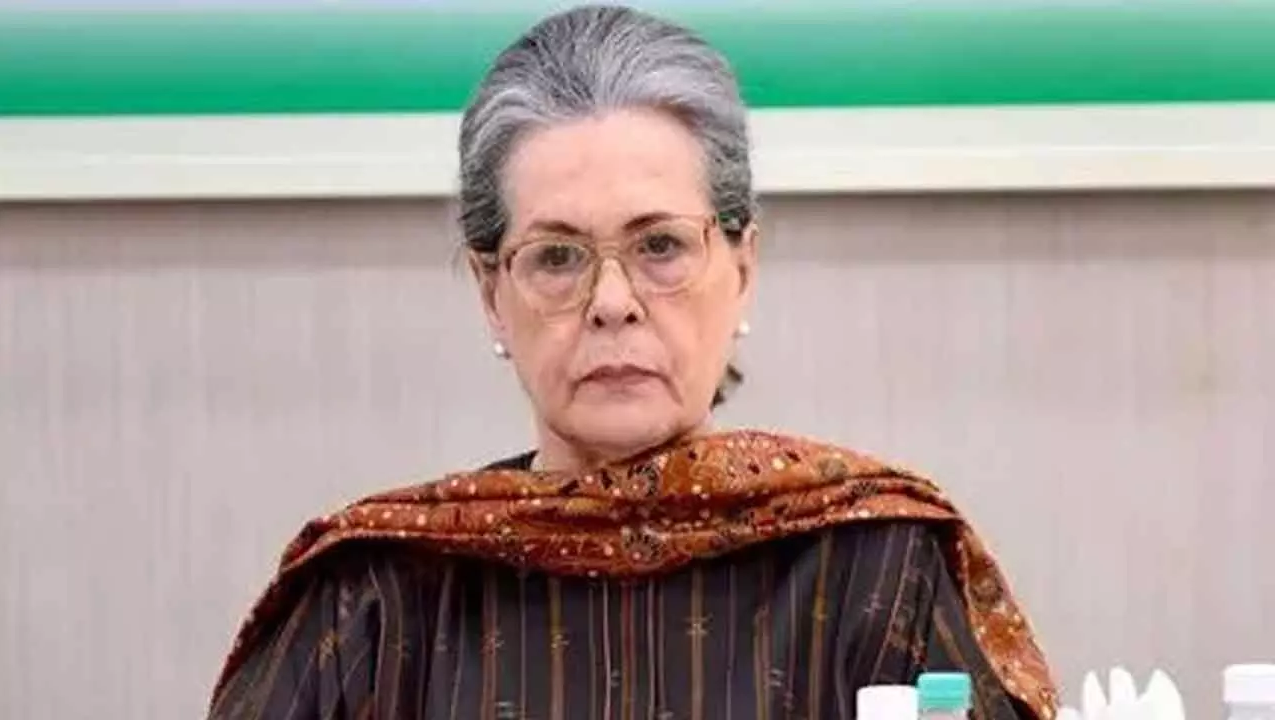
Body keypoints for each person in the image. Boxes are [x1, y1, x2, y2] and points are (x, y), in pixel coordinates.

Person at [207, 5, 1057, 719]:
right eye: (557, 256)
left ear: (743, 269)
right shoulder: (374, 597)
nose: (612, 301)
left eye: (659, 246)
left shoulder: (879, 564)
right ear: (491, 292)